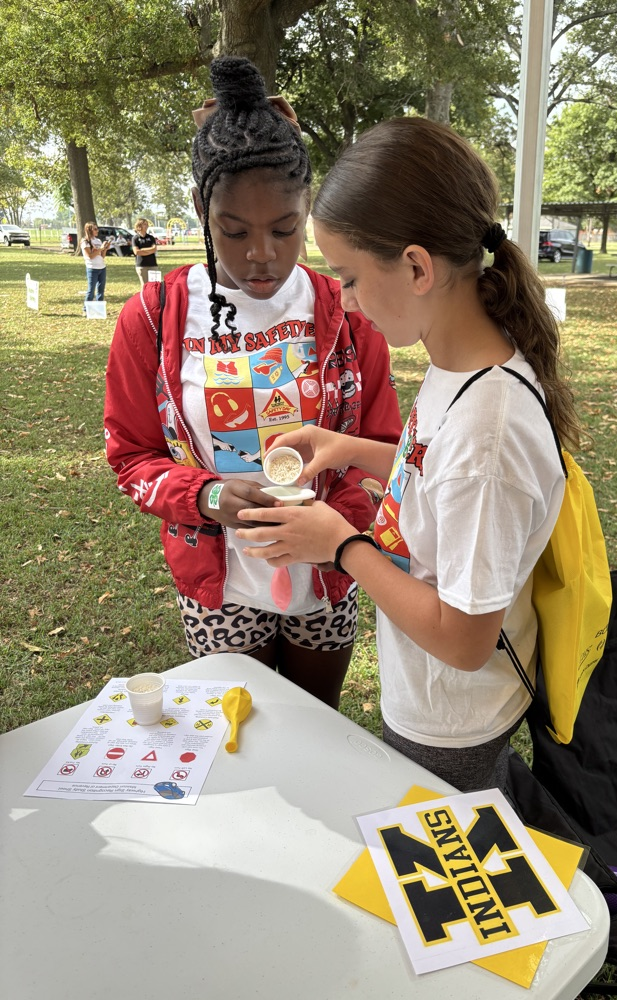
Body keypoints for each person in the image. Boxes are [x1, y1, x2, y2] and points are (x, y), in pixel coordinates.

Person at [236, 116, 581, 792]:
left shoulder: (491, 433)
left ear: (418, 267)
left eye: (352, 277)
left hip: (453, 722)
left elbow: (463, 638)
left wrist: (341, 547)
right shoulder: (462, 364)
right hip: (433, 699)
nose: (345, 298)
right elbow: (432, 467)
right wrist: (350, 449)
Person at [103, 57, 402, 709]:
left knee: (317, 726)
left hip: (326, 580)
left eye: (285, 230)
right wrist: (207, 496)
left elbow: (384, 446)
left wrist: (339, 531)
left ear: (308, 210)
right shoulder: (153, 320)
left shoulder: (349, 312)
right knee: (244, 737)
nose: (261, 255)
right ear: (199, 209)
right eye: (232, 232)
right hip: (219, 585)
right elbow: (132, 458)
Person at [80, 222, 111, 313]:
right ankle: (86, 310)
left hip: (102, 267)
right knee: (91, 290)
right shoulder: (85, 242)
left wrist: (105, 249)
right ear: (89, 230)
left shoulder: (98, 241)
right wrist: (101, 248)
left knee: (101, 290)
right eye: (95, 229)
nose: (97, 231)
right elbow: (90, 256)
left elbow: (102, 256)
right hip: (92, 268)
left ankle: (99, 309)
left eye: (97, 229)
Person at [132, 219, 158, 284]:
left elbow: (154, 249)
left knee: (155, 285)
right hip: (141, 265)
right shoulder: (135, 238)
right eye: (144, 224)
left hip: (152, 264)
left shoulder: (151, 237)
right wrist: (149, 250)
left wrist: (142, 250)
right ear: (139, 226)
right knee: (144, 286)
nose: (146, 226)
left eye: (147, 224)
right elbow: (137, 252)